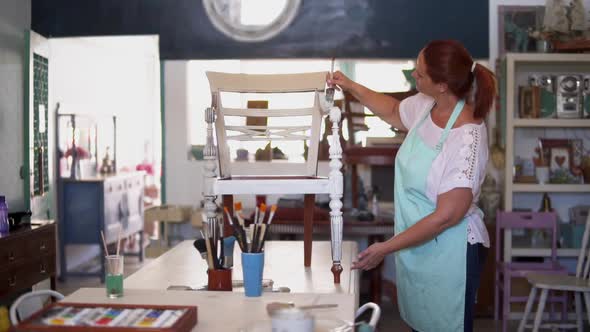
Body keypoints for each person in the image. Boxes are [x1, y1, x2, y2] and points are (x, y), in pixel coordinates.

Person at [328, 40, 496, 332]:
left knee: (446, 325)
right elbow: (393, 110)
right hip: (419, 246)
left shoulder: (468, 138)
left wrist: (386, 247)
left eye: (420, 74)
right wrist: (350, 85)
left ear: (442, 84)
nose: (413, 76)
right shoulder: (426, 105)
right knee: (420, 324)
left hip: (451, 251)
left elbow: (446, 216)